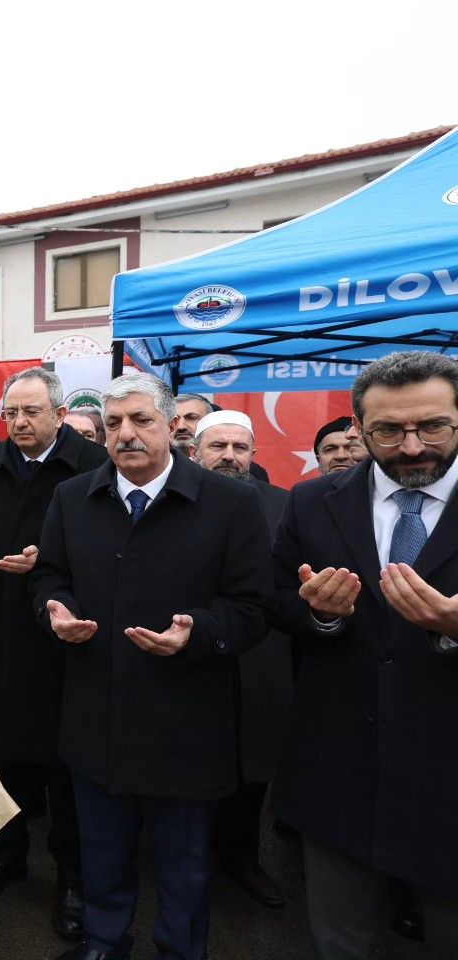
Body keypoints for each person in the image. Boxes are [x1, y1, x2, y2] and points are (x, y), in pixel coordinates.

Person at [30, 373, 271, 960]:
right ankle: (104, 943)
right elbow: (49, 577)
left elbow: (253, 608)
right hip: (96, 715)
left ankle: (181, 951)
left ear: (172, 425)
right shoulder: (72, 498)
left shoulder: (231, 502)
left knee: (183, 865)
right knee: (102, 854)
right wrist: (54, 610)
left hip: (185, 723)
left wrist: (197, 633)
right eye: (113, 423)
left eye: (141, 420)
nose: (126, 434)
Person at [270, 352, 458, 959]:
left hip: (450, 774)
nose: (412, 447)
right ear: (359, 427)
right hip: (341, 770)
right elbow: (276, 602)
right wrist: (321, 614)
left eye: (433, 426)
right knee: (339, 942)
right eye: (388, 431)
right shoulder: (311, 501)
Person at [0, 366, 108, 940]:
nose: (18, 423)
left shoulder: (93, 465)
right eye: (10, 413)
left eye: (31, 412)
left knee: (65, 766)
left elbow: (108, 546)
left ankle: (73, 876)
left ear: (60, 415)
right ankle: (7, 852)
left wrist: (47, 559)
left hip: (65, 635)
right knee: (2, 754)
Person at [188, 410, 292, 909]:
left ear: (253, 454)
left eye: (240, 448)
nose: (229, 457)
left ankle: (242, 856)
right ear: (195, 452)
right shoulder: (172, 499)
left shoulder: (284, 505)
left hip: (260, 654)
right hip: (190, 649)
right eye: (218, 447)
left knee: (251, 764)